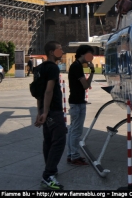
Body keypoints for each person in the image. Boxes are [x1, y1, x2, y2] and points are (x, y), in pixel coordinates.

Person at [34, 41, 66, 190]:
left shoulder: (40, 68)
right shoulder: (53, 68)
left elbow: (38, 93)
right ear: (52, 52)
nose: (62, 51)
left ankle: (50, 169)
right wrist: (46, 112)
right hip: (53, 110)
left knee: (48, 141)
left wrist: (39, 112)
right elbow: (48, 91)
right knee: (59, 141)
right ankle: (48, 175)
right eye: (60, 50)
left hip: (45, 110)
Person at [67, 45, 95, 165]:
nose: (91, 57)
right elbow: (85, 86)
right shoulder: (76, 67)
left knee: (73, 129)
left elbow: (87, 84)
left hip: (77, 101)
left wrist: (92, 71)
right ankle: (74, 156)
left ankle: (71, 154)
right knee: (76, 130)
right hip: (77, 102)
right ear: (83, 54)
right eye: (89, 54)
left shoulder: (77, 66)